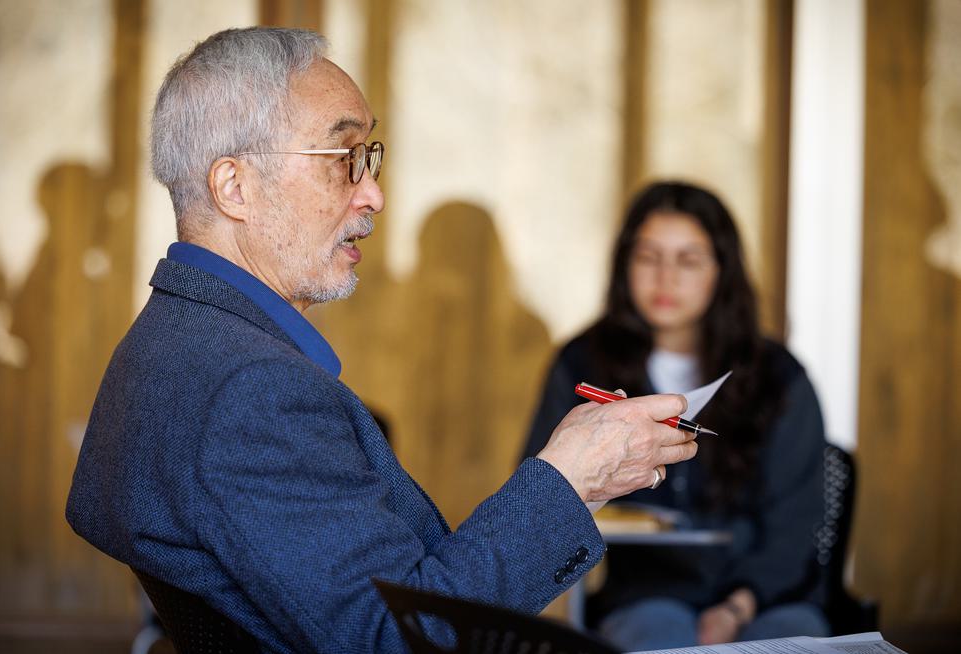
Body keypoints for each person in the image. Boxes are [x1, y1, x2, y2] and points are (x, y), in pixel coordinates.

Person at [65, 28, 698, 653]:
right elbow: (395, 640)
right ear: (235, 187)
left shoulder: (166, 339)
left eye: (369, 159)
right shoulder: (253, 391)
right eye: (343, 161)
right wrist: (571, 480)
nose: (374, 193)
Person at [522, 181, 830, 650]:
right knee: (659, 636)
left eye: (688, 261)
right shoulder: (584, 364)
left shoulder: (778, 377)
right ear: (625, 265)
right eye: (648, 257)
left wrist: (736, 608)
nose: (666, 279)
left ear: (722, 272)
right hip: (645, 593)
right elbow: (539, 493)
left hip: (770, 597)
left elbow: (798, 521)